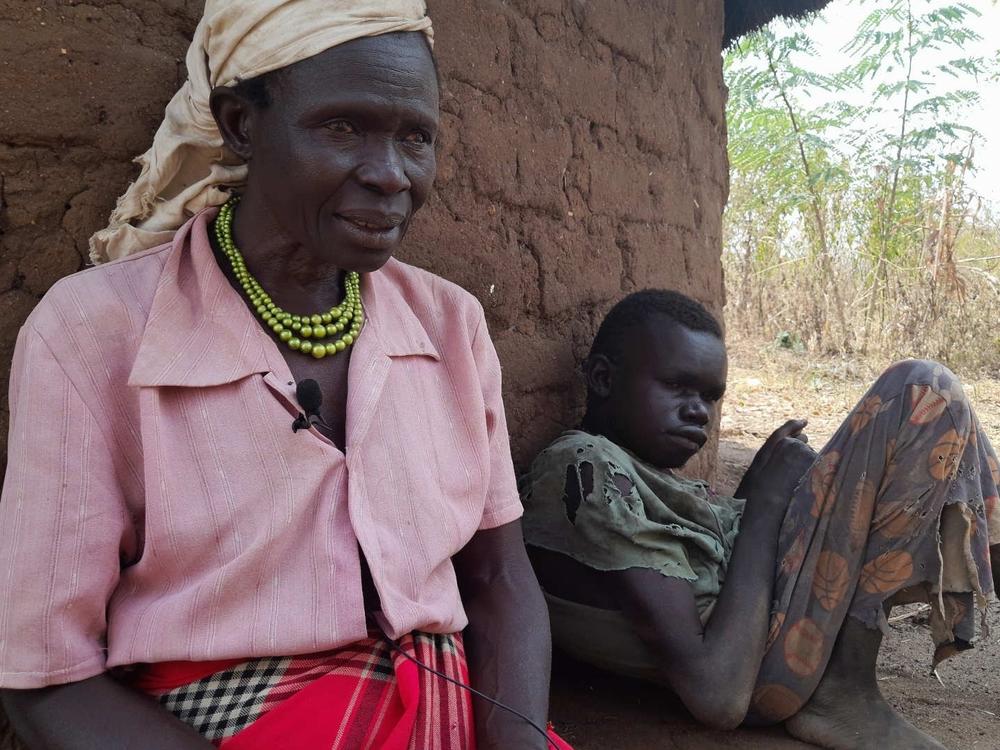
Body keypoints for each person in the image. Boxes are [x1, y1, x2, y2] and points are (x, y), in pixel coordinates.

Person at [0, 3, 569, 748]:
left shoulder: (451, 325)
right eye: (341, 127)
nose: (389, 175)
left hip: (442, 711)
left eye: (415, 138)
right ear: (241, 123)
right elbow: (45, 681)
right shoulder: (95, 332)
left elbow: (498, 582)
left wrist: (518, 740)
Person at [520, 289, 1000, 750]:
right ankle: (843, 688)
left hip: (771, 633)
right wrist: (766, 507)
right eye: (677, 386)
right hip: (764, 670)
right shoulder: (584, 467)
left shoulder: (641, 475)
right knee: (921, 388)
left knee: (946, 418)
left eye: (710, 397)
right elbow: (717, 694)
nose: (698, 412)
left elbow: (711, 567)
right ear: (603, 379)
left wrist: (753, 496)